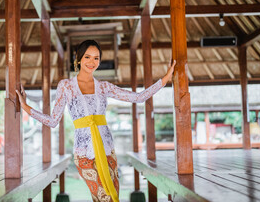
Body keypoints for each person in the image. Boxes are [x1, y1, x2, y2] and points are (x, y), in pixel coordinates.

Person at [16, 40, 176, 202]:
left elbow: (139, 97)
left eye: (96, 58)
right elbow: (52, 121)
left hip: (108, 151)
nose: (92, 62)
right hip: (84, 154)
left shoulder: (104, 87)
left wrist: (166, 77)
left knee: (111, 198)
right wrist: (25, 106)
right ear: (78, 59)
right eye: (87, 57)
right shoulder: (66, 86)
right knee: (105, 197)